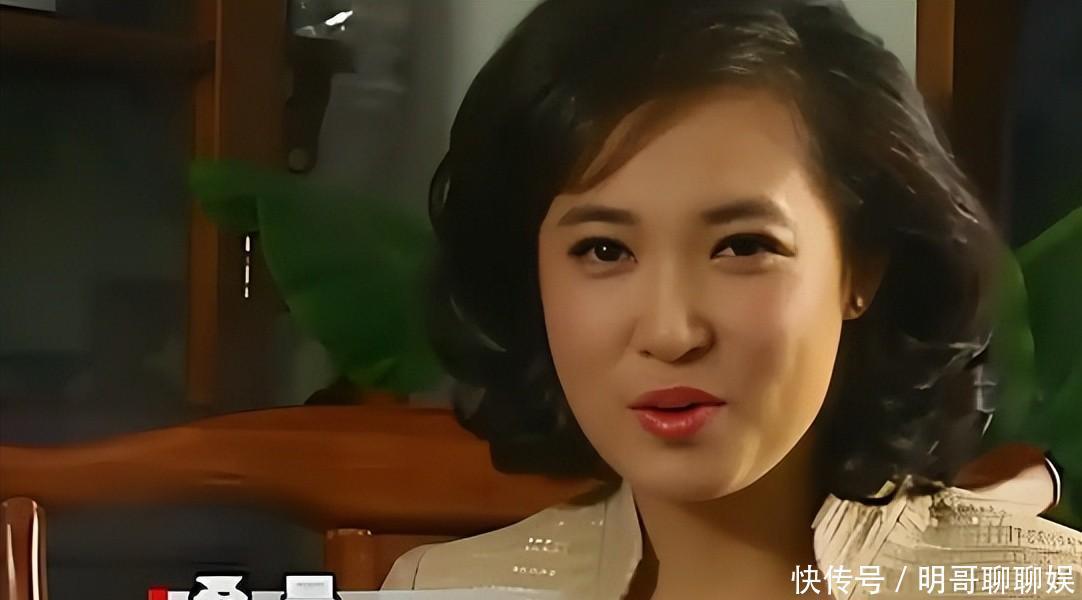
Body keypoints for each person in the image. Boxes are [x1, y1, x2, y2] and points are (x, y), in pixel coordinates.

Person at [382, 1, 1079, 598]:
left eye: (743, 246)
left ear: (861, 270)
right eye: (604, 250)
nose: (671, 331)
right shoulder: (441, 588)